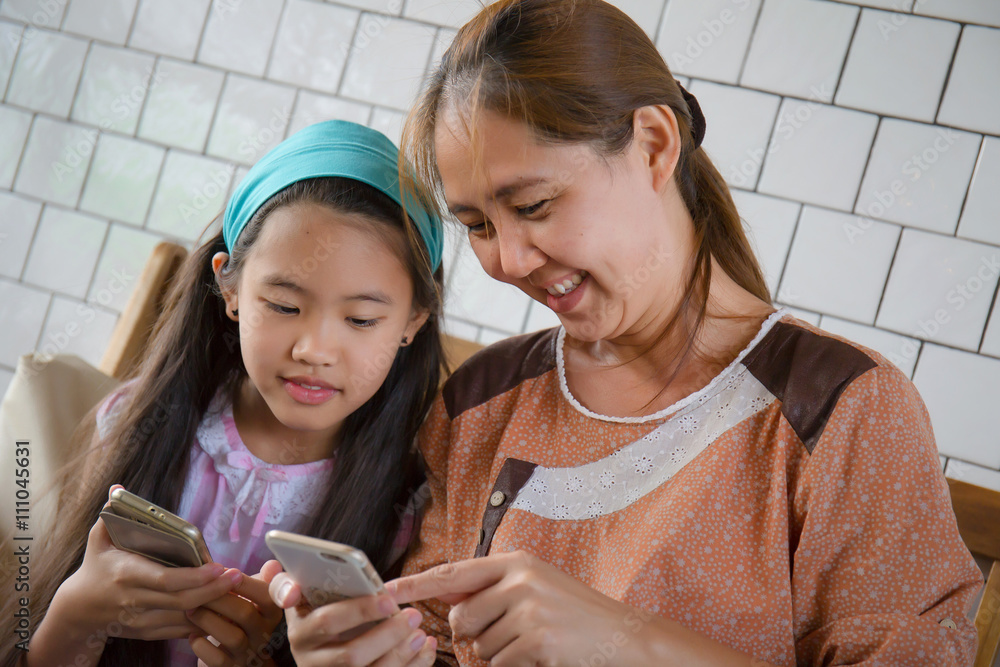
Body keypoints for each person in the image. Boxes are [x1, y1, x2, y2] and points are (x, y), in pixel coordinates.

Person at [267, 1, 984, 665]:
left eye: (535, 204)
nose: (507, 260)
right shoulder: (482, 401)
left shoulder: (841, 411)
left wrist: (626, 641)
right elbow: (436, 642)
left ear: (652, 145)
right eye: (478, 226)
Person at [0, 120, 443, 667]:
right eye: (284, 306)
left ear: (413, 321)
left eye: (360, 319)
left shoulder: (410, 508)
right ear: (230, 288)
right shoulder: (135, 423)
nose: (314, 349)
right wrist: (75, 616)